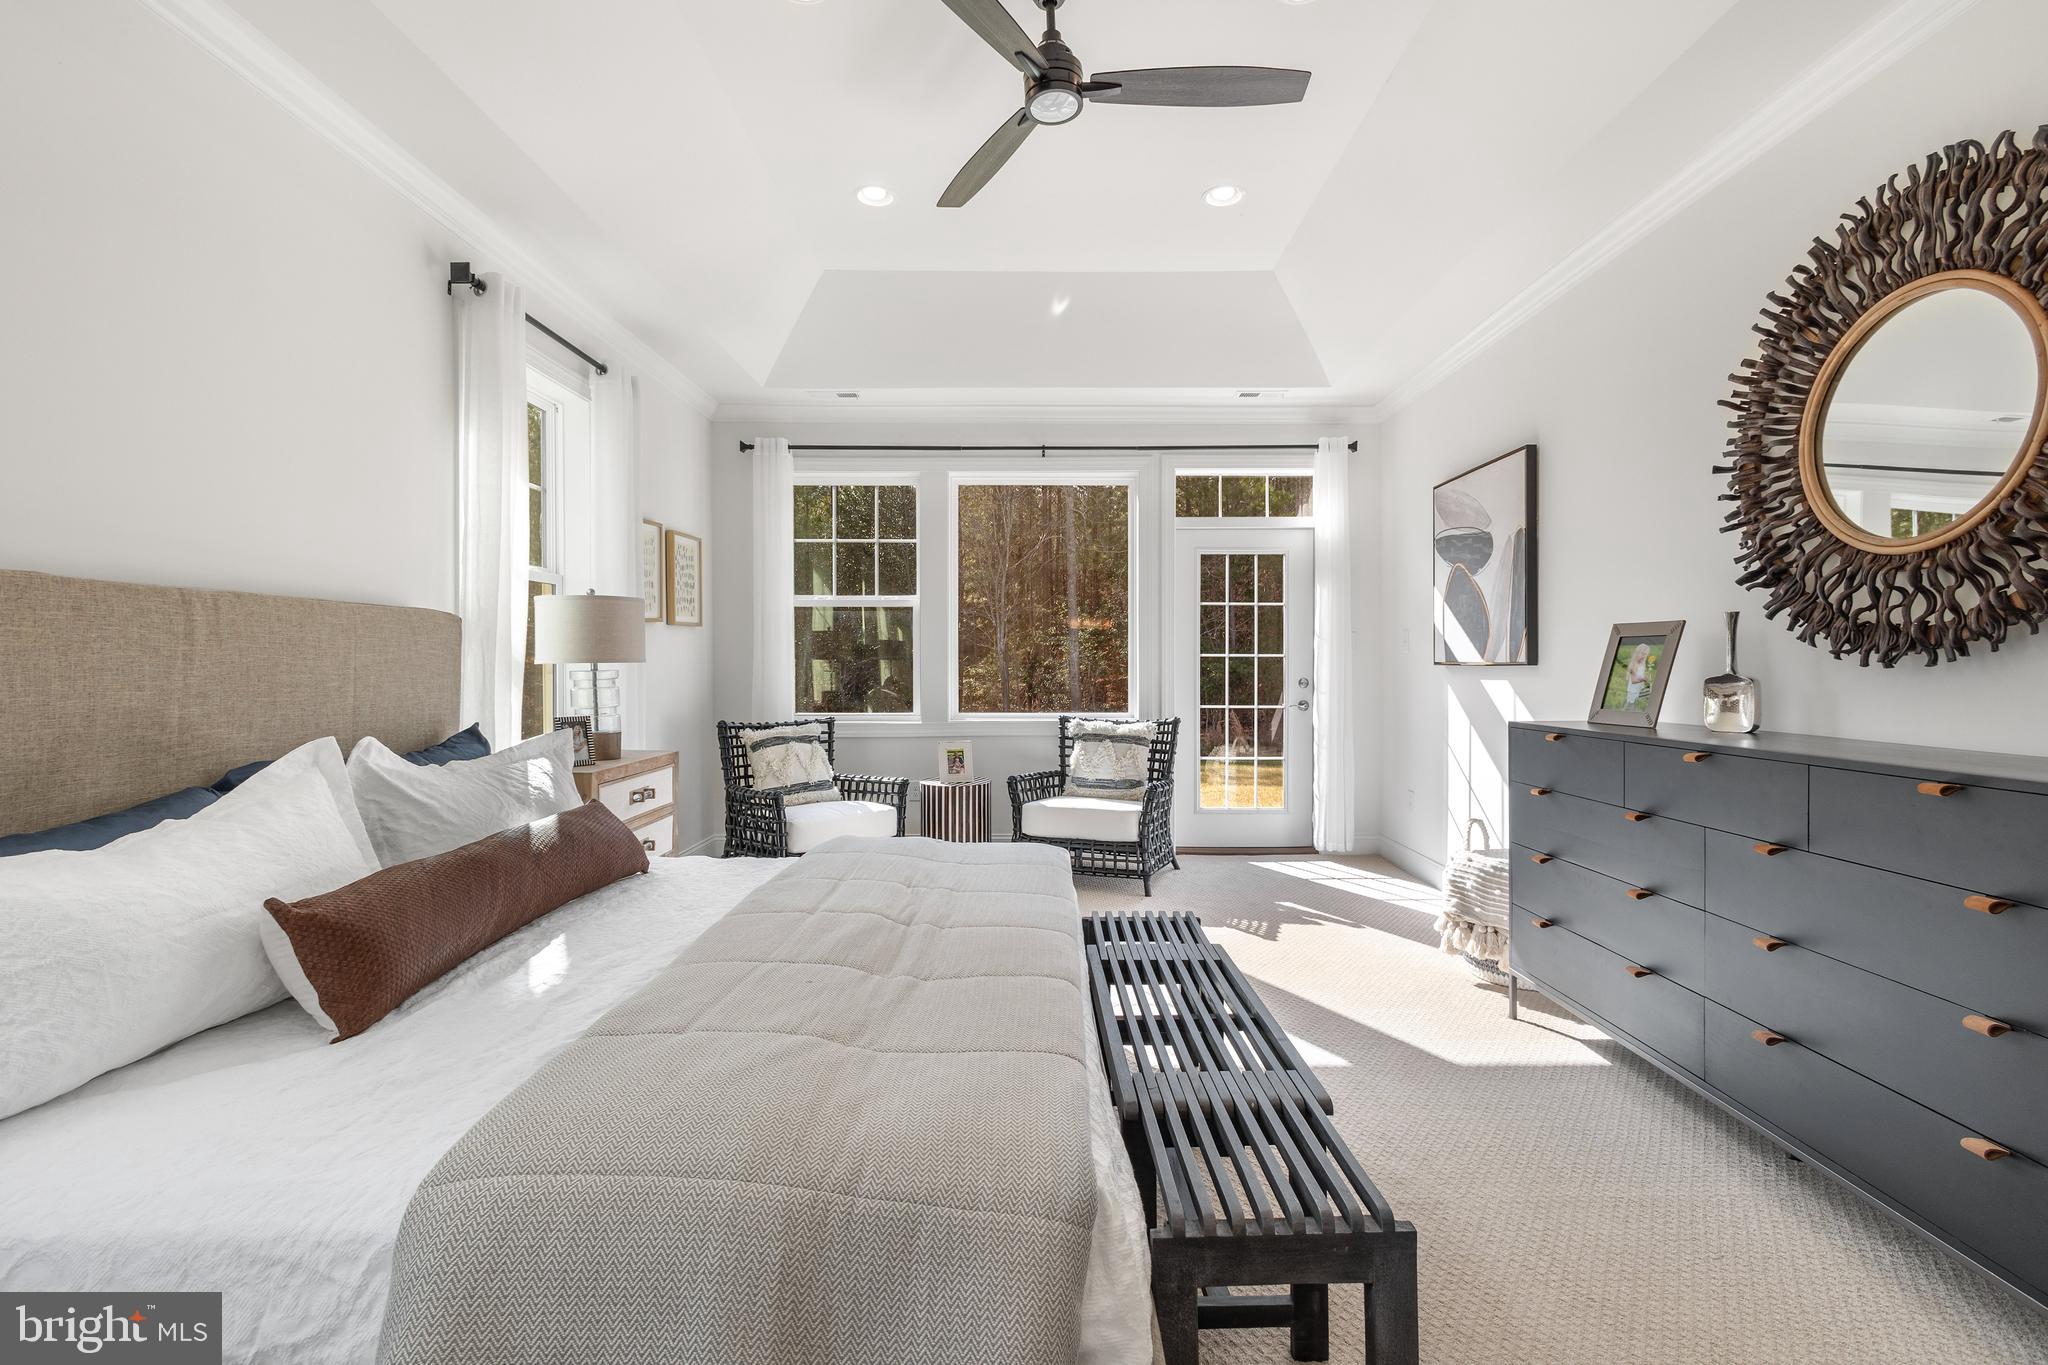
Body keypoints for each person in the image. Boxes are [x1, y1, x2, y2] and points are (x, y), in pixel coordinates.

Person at [1624, 642, 1654, 708]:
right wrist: (1644, 678)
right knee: (1630, 705)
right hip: (1633, 691)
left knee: (1638, 704)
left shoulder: (1642, 664)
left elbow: (1640, 676)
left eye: (1646, 655)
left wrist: (1647, 679)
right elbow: (1633, 680)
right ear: (1637, 653)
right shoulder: (1634, 664)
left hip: (1639, 689)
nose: (1644, 656)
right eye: (1642, 654)